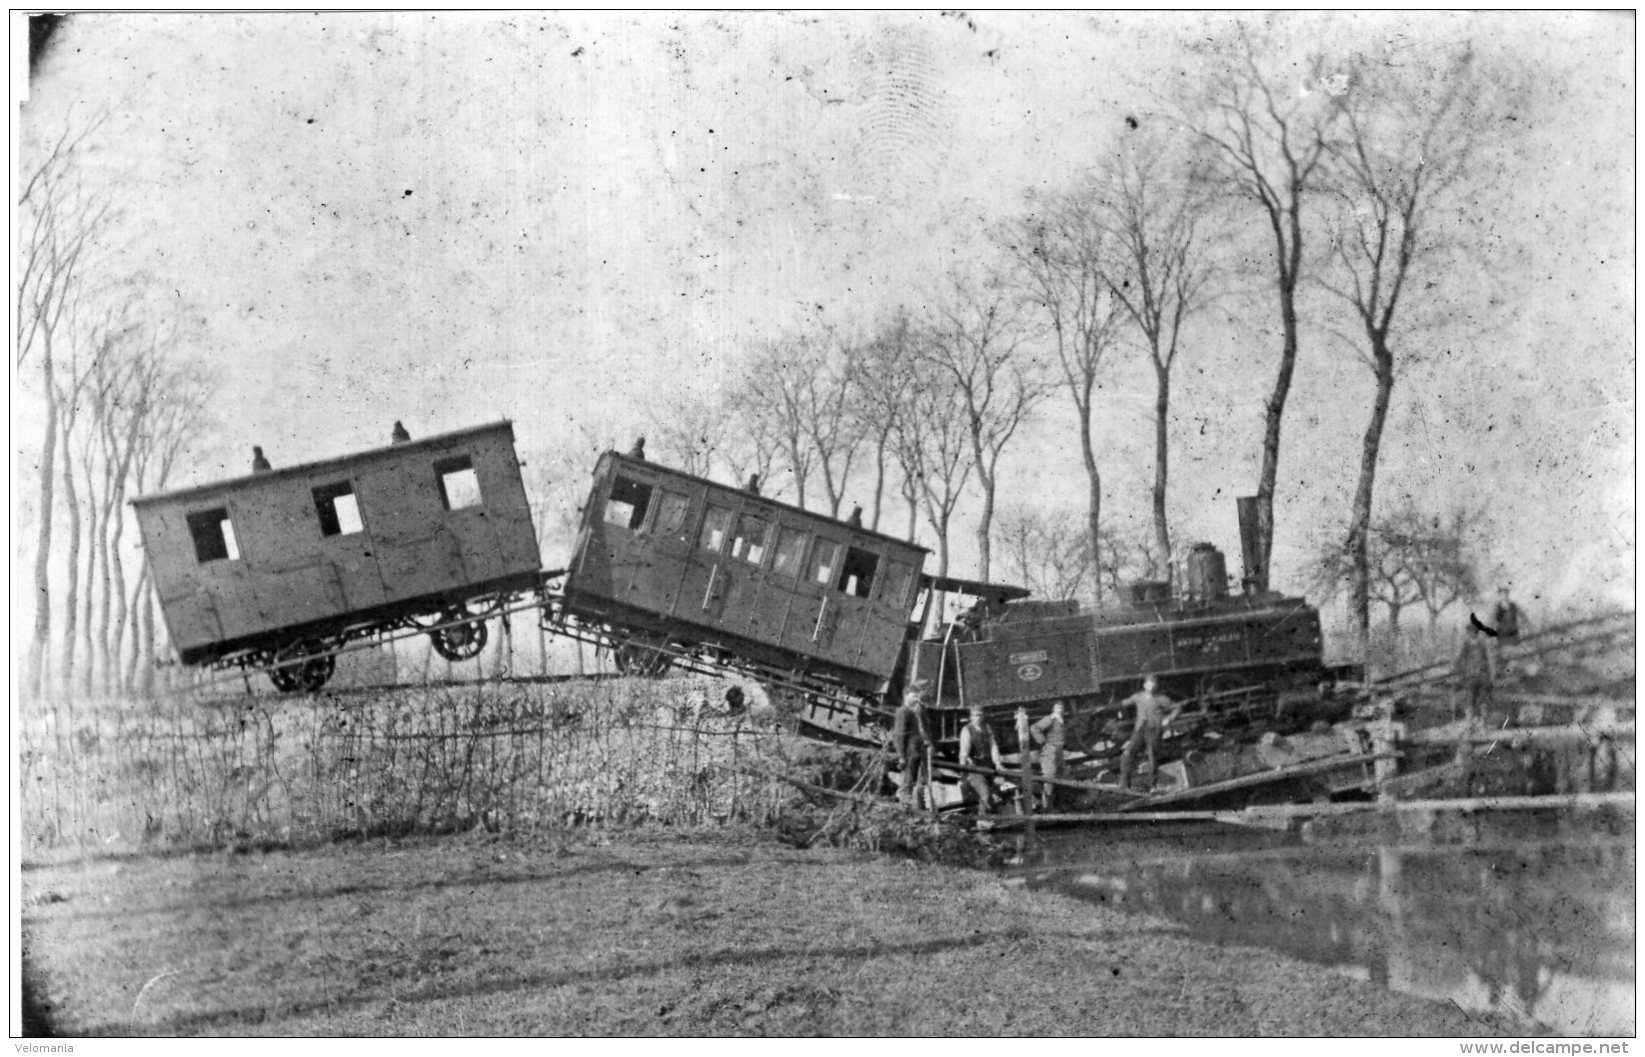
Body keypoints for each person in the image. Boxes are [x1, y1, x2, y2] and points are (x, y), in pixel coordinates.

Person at [1119, 675, 1181, 791]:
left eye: (1153, 684)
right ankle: (1124, 784)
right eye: (1149, 683)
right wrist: (1103, 708)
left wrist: (1168, 719)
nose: (1151, 686)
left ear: (1156, 686)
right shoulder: (1138, 697)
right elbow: (1124, 703)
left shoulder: (1162, 699)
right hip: (1139, 730)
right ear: (1144, 685)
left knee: (1152, 757)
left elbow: (1177, 707)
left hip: (1153, 730)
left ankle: (1152, 786)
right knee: (1128, 753)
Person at [887, 681, 932, 808]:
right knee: (908, 781)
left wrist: (929, 745)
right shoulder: (903, 712)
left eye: (917, 696)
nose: (916, 698)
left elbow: (925, 729)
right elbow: (899, 736)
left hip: (920, 751)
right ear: (906, 696)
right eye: (913, 696)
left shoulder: (918, 710)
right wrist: (901, 756)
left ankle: (918, 807)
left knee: (921, 782)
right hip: (910, 752)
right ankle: (905, 808)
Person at [958, 705, 1004, 815]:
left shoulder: (987, 728)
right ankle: (983, 821)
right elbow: (964, 752)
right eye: (976, 715)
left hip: (987, 765)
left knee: (997, 792)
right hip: (974, 768)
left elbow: (993, 746)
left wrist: (998, 763)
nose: (978, 717)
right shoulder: (967, 730)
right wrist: (963, 771)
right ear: (971, 717)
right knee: (985, 794)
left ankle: (992, 817)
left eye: (981, 715)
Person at [1453, 620, 1495, 723]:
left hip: (1478, 676)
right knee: (1472, 700)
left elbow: (1489, 659)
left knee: (1479, 700)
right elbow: (1458, 660)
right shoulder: (1468, 644)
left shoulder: (1479, 644)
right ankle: (1473, 722)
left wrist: (1492, 674)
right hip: (1474, 676)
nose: (1468, 634)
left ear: (1473, 632)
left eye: (1469, 632)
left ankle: (1479, 722)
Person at [1030, 700, 1068, 811]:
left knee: (1061, 776)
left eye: (1061, 706)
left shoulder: (1061, 719)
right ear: (1053, 708)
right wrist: (1043, 742)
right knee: (1049, 778)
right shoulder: (1050, 718)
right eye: (1057, 706)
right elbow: (1034, 728)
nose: (1060, 708)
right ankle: (1047, 807)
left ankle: (1059, 806)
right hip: (1050, 751)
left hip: (1059, 751)